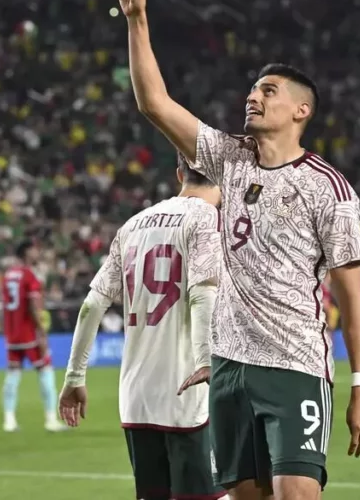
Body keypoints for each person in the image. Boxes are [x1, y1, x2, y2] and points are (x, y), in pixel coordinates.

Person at [115, 0, 360, 500]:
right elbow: (154, 104)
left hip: (295, 365)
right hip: (230, 370)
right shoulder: (229, 160)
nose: (252, 97)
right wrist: (138, 20)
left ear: (301, 111)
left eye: (268, 91)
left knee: (297, 493)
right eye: (252, 91)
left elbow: (353, 298)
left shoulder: (329, 188)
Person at [60, 154, 225, 500]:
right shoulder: (206, 219)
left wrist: (75, 377)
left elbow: (92, 304)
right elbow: (202, 295)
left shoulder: (133, 225)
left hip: (135, 397)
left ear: (180, 173)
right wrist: (206, 361)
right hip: (187, 394)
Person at [0, 240, 64, 432]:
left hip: (12, 333)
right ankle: (51, 420)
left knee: (12, 375)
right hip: (29, 333)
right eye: (35, 249)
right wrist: (41, 331)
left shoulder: (8, 275)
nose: (38, 252)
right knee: (46, 370)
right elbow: (33, 305)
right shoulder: (29, 276)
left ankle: (9, 420)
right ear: (27, 252)